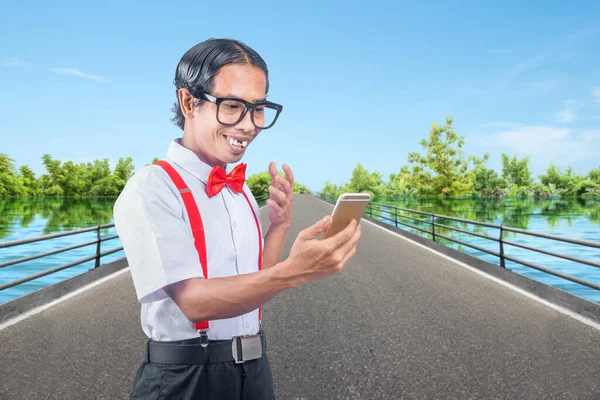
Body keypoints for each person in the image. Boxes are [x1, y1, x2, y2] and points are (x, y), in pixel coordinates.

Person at [113, 38, 362, 399]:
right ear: (188, 102)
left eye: (258, 108)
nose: (249, 125)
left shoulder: (240, 190)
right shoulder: (152, 188)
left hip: (255, 369)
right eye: (232, 106)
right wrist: (295, 271)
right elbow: (194, 301)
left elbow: (257, 283)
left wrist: (279, 225)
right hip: (185, 377)